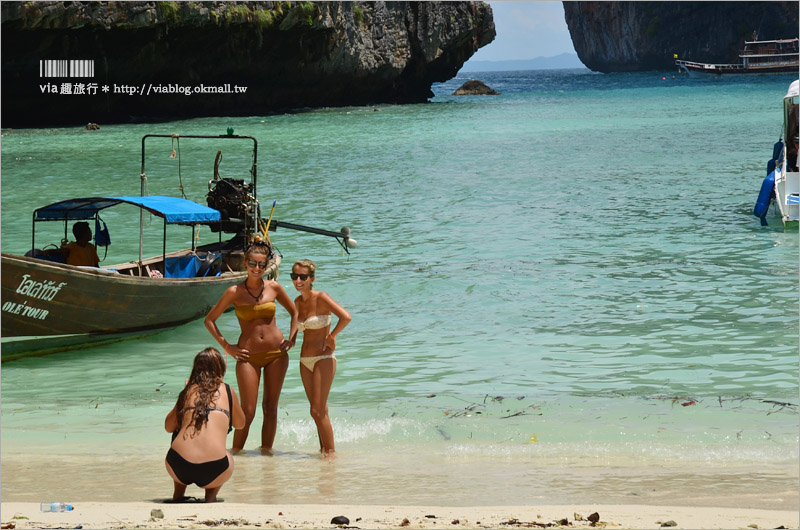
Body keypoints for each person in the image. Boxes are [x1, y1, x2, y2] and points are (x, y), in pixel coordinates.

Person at [204, 240, 297, 453]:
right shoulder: (234, 291)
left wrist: (292, 338)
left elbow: (295, 313)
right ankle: (235, 454)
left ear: (266, 266)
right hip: (248, 356)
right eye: (253, 263)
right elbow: (209, 320)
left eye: (262, 265)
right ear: (245, 264)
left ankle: (267, 454)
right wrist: (227, 347)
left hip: (277, 354)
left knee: (271, 408)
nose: (257, 268)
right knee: (247, 410)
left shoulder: (273, 287)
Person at [164, 347, 245, 503]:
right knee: (227, 455)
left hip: (178, 466)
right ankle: (211, 496)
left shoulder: (188, 390)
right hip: (214, 469)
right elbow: (240, 424)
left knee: (177, 436)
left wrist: (185, 396)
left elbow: (168, 427)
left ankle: (178, 493)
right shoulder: (227, 390)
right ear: (221, 368)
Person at [289, 259, 351, 456]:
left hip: (323, 358)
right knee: (318, 411)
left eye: (303, 277)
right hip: (304, 360)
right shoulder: (297, 302)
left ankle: (331, 454)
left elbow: (346, 317)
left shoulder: (322, 297)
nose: (298, 280)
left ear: (311, 278)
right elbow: (296, 325)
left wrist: (332, 336)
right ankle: (324, 451)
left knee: (316, 411)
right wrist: (290, 341)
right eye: (294, 276)